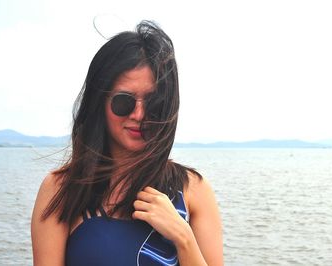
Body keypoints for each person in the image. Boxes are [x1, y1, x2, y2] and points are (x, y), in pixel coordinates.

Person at [31, 20, 223, 266]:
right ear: (99, 102)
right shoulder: (62, 189)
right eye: (124, 101)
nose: (139, 115)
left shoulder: (192, 190)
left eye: (153, 103)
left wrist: (183, 237)